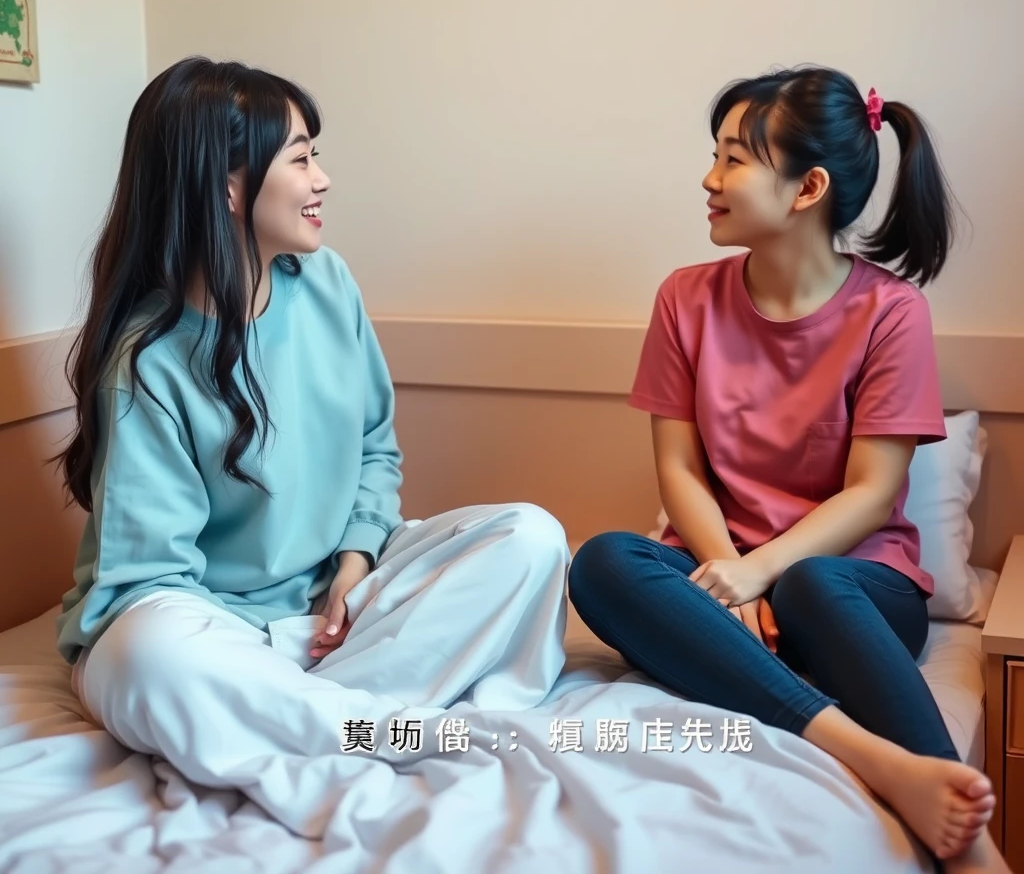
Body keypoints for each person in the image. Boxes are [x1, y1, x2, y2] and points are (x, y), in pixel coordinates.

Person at [55, 57, 569, 836]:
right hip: (204, 622)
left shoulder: (327, 284)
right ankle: (370, 724)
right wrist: (248, 657)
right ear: (228, 187)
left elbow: (374, 447)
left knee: (530, 538)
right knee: (148, 655)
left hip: (331, 603)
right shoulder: (148, 362)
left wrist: (355, 566)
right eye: (299, 158)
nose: (322, 178)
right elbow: (150, 579)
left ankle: (294, 719)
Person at [568, 67, 1009, 872]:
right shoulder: (684, 298)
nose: (710, 178)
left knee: (812, 584)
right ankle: (876, 758)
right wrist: (727, 571)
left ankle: (970, 842)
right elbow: (681, 472)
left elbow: (873, 493)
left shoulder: (891, 313)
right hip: (719, 576)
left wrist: (761, 575)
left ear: (807, 187)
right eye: (715, 155)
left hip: (851, 586)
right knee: (602, 563)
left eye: (734, 159)